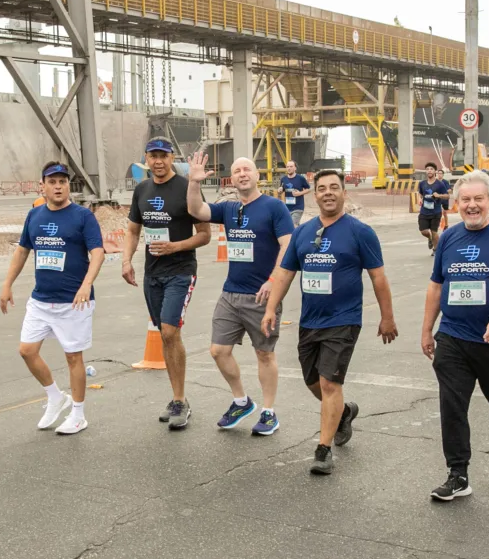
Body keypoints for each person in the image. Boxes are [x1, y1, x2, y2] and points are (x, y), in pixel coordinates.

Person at [263, 170, 398, 475]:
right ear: (314, 194)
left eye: (334, 188)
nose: (328, 193)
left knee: (329, 383)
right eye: (321, 188)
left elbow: (378, 277)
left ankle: (323, 449)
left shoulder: (360, 232)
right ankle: (345, 412)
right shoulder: (303, 232)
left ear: (343, 193)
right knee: (314, 383)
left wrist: (387, 317)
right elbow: (285, 274)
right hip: (311, 321)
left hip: (344, 319)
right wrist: (271, 309)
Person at [419, 170, 489, 502]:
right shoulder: (449, 238)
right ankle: (458, 474)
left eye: (478, 199)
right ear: (456, 204)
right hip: (453, 336)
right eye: (465, 200)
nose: (472, 206)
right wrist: (428, 329)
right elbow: (437, 286)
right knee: (452, 405)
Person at [186, 153, 294, 435]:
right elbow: (197, 211)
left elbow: (288, 246)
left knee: (264, 354)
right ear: (231, 179)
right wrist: (194, 182)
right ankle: (241, 401)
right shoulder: (229, 208)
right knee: (218, 350)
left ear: (257, 175)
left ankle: (269, 412)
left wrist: (273, 280)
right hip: (231, 293)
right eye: (236, 171)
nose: (242, 174)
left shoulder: (274, 208)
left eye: (247, 169)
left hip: (262, 295)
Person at [0, 162, 105, 435]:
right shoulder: (34, 216)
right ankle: (56, 397)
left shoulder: (83, 216)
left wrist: (86, 285)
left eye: (63, 181)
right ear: (42, 187)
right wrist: (7, 284)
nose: (58, 186)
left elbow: (98, 252)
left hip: (74, 301)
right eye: (53, 182)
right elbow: (22, 251)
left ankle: (79, 414)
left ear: (69, 185)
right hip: (41, 300)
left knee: (73, 358)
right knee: (26, 351)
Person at [122, 138, 212, 430]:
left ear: (172, 157)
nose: (158, 161)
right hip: (153, 273)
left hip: (181, 270)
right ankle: (176, 399)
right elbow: (133, 231)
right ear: (146, 159)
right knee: (165, 334)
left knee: (171, 330)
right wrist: (126, 261)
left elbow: (204, 234)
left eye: (163, 155)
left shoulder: (187, 187)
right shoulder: (142, 190)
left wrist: (176, 246)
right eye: (153, 156)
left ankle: (180, 400)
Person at [417, 162, 451, 255]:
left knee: (434, 232)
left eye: (431, 169)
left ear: (435, 171)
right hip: (424, 212)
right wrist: (419, 199)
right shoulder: (422, 184)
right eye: (427, 169)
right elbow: (420, 194)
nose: (429, 171)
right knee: (423, 231)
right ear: (425, 171)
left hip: (435, 212)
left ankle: (436, 250)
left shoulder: (439, 184)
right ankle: (429, 238)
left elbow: (447, 196)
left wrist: (439, 195)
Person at [280, 160, 311, 227]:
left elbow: (308, 189)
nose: (289, 168)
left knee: (292, 225)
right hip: (287, 208)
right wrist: (280, 190)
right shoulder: (283, 179)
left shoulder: (300, 178)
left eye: (291, 166)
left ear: (295, 168)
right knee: (292, 225)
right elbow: (282, 189)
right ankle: (301, 232)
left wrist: (300, 193)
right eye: (287, 166)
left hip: (298, 207)